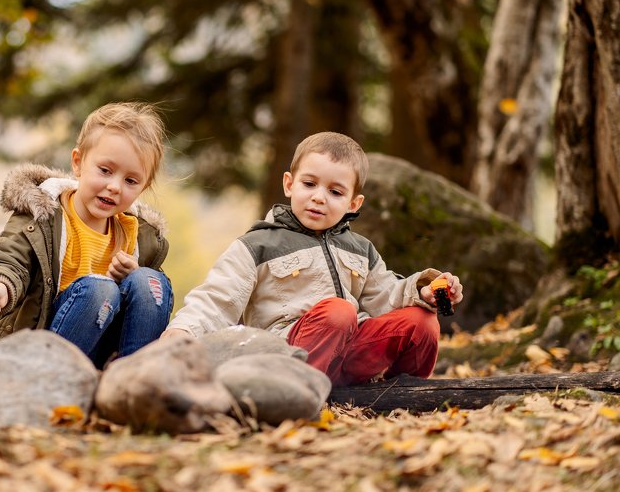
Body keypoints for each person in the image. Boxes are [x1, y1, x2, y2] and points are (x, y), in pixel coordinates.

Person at [163, 131, 463, 386]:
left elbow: (385, 296)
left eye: (335, 192)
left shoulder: (360, 248)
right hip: (288, 354)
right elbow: (217, 299)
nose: (319, 197)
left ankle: (402, 395)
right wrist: (183, 332)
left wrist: (424, 291)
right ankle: (299, 392)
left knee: (422, 321)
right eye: (309, 184)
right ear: (289, 184)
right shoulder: (258, 244)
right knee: (338, 311)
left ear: (353, 203)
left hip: (351, 352)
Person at [0, 102, 173, 367]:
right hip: (45, 347)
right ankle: (51, 378)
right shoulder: (43, 215)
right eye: (105, 171)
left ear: (143, 187)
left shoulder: (138, 237)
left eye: (130, 181)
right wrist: (0, 286)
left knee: (149, 281)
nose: (114, 186)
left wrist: (132, 276)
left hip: (104, 354)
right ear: (78, 163)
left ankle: (131, 376)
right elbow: (10, 258)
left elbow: (147, 306)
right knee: (99, 289)